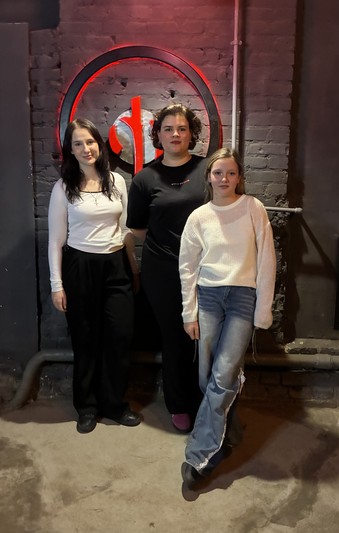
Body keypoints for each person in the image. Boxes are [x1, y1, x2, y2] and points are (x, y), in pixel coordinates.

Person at [179, 147, 276, 489]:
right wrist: (188, 312)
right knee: (208, 376)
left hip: (241, 298)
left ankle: (200, 456)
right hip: (207, 297)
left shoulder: (253, 208)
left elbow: (267, 259)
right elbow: (187, 267)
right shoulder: (199, 217)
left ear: (239, 177)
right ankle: (229, 431)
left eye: (231, 173)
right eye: (218, 173)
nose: (224, 179)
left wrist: (263, 309)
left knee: (222, 375)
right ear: (209, 177)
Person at [48, 118, 141, 434]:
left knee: (119, 337)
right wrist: (57, 285)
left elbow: (125, 230)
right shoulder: (64, 188)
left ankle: (115, 404)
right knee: (85, 339)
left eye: (90, 141)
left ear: (99, 144)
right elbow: (56, 241)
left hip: (116, 265)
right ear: (71, 150)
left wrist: (133, 268)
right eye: (78, 143)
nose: (85, 148)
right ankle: (86, 407)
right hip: (80, 267)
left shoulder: (117, 182)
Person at [127, 103, 208, 432]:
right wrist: (172, 247)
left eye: (182, 129)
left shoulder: (209, 169)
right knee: (175, 337)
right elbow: (138, 228)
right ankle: (179, 404)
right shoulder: (145, 178)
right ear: (158, 135)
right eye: (169, 129)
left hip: (208, 267)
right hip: (163, 270)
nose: (176, 134)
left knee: (208, 335)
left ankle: (208, 402)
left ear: (191, 134)